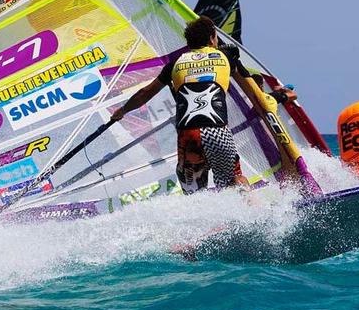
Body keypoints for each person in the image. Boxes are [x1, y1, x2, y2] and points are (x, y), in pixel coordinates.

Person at [111, 16, 292, 194]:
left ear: (189, 43)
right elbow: (255, 94)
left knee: (195, 194)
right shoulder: (226, 57)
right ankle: (253, 211)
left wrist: (122, 110)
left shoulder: (175, 64)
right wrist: (279, 96)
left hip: (188, 135)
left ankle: (208, 222)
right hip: (217, 130)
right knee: (234, 178)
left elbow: (145, 93)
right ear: (212, 38)